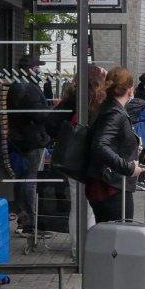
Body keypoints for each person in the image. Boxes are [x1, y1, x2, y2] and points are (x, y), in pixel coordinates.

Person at [49, 65, 107, 259]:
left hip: (74, 160)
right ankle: (89, 249)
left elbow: (50, 124)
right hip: (96, 159)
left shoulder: (73, 97)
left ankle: (77, 249)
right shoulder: (103, 99)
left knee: (77, 205)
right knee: (91, 207)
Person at [86, 67, 145, 222]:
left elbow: (109, 141)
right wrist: (129, 168)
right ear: (130, 89)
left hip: (107, 185)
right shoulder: (115, 113)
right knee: (118, 239)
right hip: (111, 186)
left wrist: (133, 146)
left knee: (111, 237)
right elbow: (100, 145)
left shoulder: (108, 107)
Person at [6, 55, 50, 236]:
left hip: (19, 139)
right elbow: (38, 115)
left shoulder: (14, 86)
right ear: (30, 68)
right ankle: (30, 224)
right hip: (32, 140)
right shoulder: (29, 88)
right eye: (36, 67)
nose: (39, 70)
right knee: (30, 181)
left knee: (21, 178)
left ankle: (22, 220)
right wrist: (50, 109)